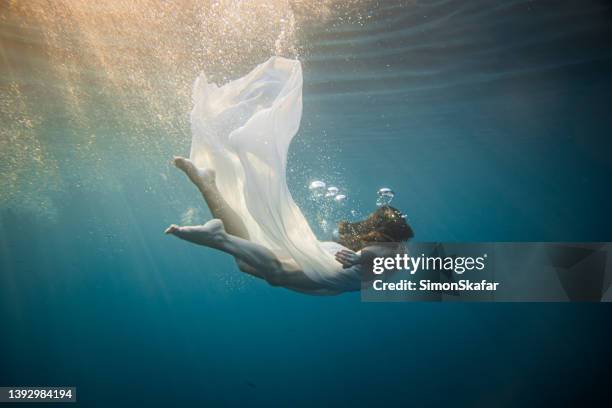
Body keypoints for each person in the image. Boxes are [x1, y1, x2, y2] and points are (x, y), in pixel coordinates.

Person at [165, 56, 413, 295]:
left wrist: (358, 256)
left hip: (335, 264)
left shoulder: (385, 250)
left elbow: (377, 255)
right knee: (275, 273)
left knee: (250, 262)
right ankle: (218, 236)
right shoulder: (398, 253)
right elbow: (382, 256)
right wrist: (359, 257)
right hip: (334, 271)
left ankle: (207, 184)